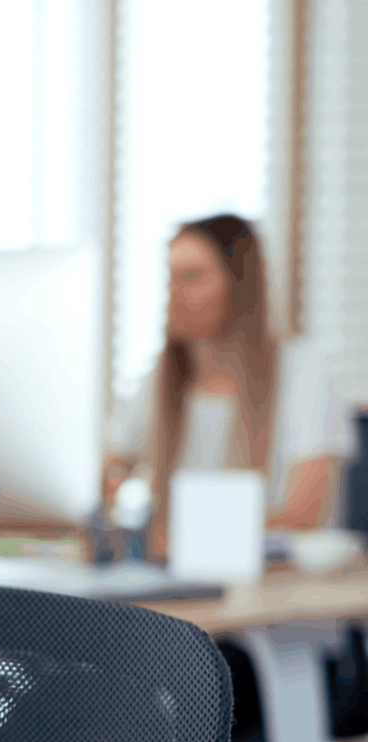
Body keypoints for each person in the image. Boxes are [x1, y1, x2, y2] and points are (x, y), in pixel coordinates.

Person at [107, 214, 356, 552]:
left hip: (276, 583)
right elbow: (114, 462)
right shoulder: (160, 379)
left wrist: (190, 534)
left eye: (192, 277)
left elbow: (303, 516)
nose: (173, 294)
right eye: (170, 277)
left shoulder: (303, 373)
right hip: (182, 578)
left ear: (238, 284)